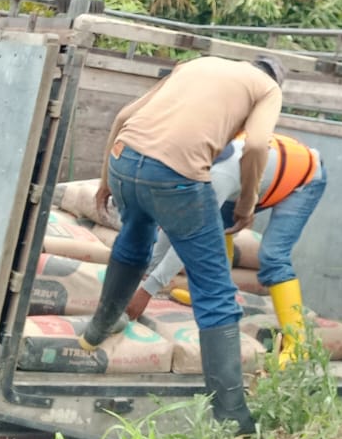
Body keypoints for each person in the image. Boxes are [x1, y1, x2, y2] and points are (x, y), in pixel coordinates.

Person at [78, 53, 288, 434]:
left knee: (133, 241)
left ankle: (97, 329)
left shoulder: (196, 64)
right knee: (215, 291)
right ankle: (232, 419)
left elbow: (123, 116)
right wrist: (247, 204)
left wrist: (106, 178)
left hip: (125, 160)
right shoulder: (267, 89)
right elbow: (258, 146)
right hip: (176, 176)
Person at [123, 129, 328, 368]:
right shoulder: (184, 166)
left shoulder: (216, 176)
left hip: (303, 179)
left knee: (273, 255)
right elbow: (174, 223)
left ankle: (297, 346)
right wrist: (145, 273)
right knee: (220, 226)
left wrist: (147, 290)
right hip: (257, 174)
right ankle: (218, 295)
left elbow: (190, 237)